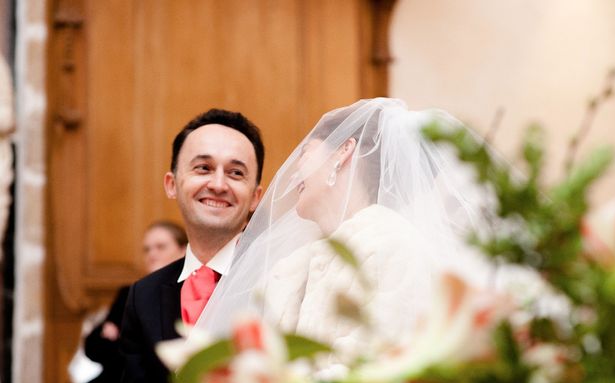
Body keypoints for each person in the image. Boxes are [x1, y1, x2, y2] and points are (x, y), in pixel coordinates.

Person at [193, 98, 493, 368]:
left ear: (344, 151)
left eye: (306, 153)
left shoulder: (395, 246)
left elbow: (384, 367)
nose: (295, 169)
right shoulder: (291, 265)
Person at [114, 109, 264, 383]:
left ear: (256, 196)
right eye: (203, 168)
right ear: (172, 184)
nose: (218, 184)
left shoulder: (278, 279)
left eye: (236, 173)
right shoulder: (144, 295)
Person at [29, 221, 187, 383]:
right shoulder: (131, 292)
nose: (152, 254)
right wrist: (124, 347)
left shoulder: (186, 292)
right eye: (147, 249)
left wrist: (119, 340)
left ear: (182, 250)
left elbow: (150, 355)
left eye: (160, 247)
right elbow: (94, 347)